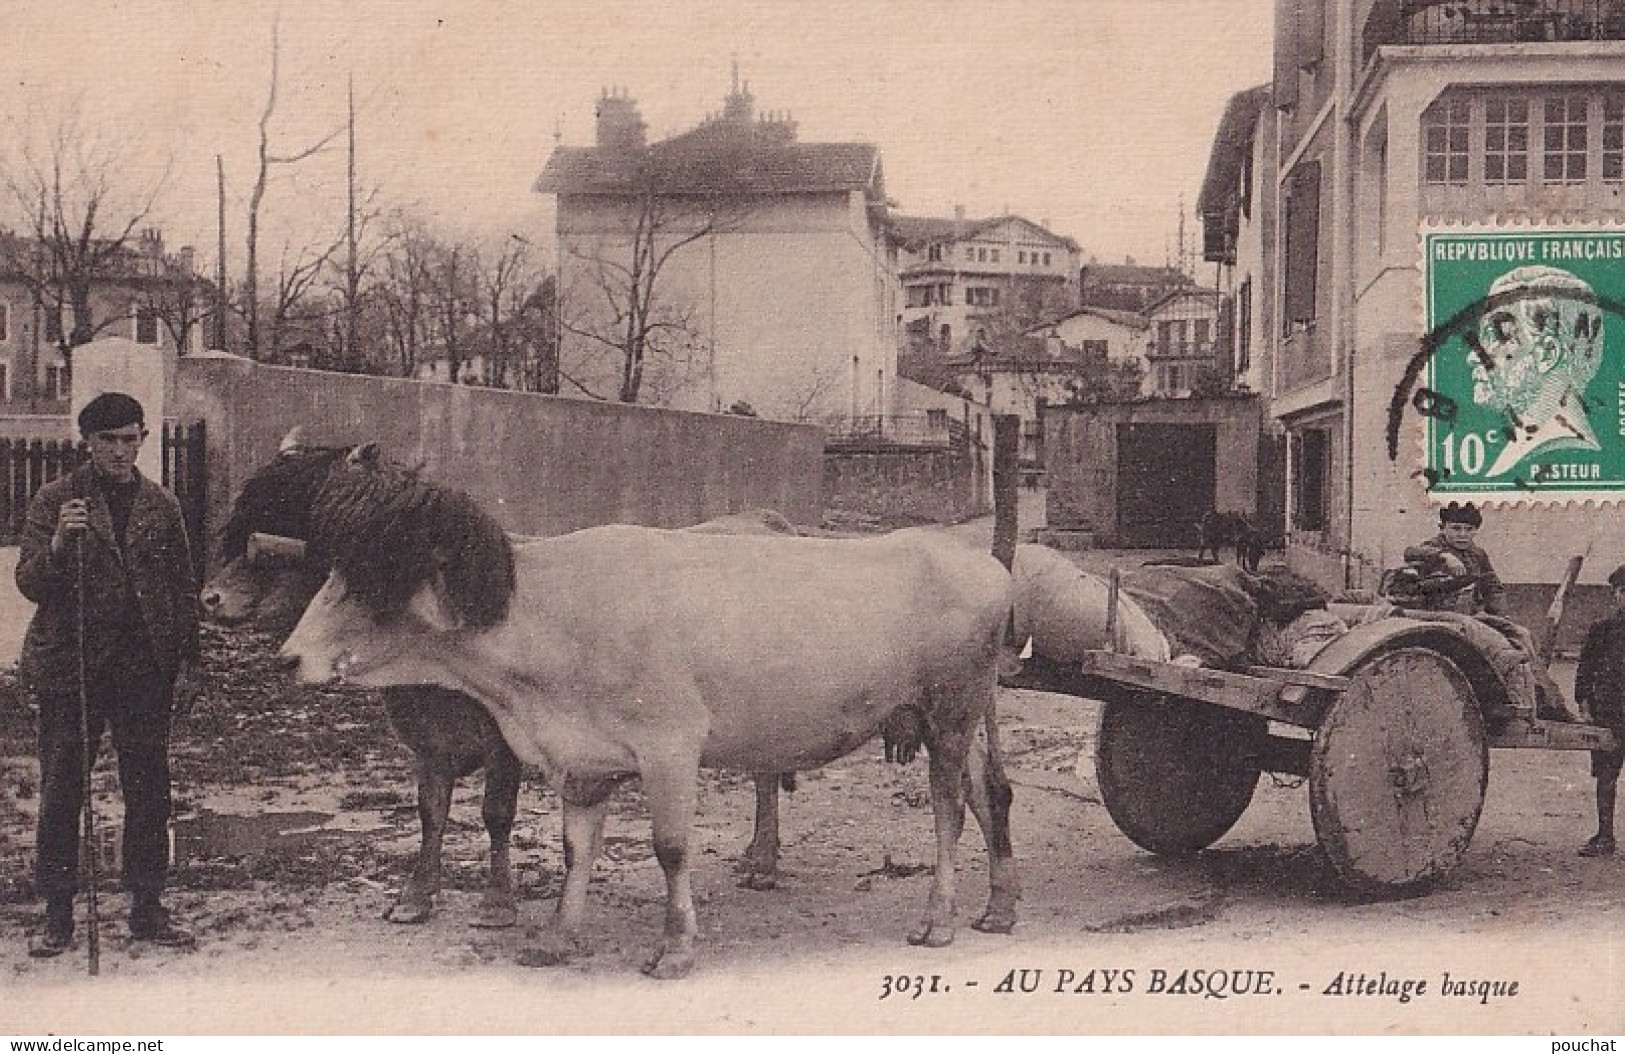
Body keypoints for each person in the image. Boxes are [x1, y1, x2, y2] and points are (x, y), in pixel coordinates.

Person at [17, 392, 203, 957]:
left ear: (144, 438)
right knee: (62, 789)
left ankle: (148, 908)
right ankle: (57, 914)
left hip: (143, 668)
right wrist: (56, 544)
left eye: (131, 439)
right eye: (108, 441)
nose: (122, 452)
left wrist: (189, 662)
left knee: (148, 791)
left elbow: (182, 588)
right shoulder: (55, 500)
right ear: (87, 443)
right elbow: (30, 583)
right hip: (71, 667)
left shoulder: (161, 504)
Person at [1574, 565, 1625, 857]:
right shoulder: (1602, 629)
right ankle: (1605, 836)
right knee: (1606, 776)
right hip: (1609, 713)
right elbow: (1585, 668)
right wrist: (1583, 702)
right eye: (1624, 592)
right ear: (1615, 594)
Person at [1401, 501, 1507, 616]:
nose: (1462, 534)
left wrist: (1500, 613)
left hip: (1471, 614)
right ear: (1443, 528)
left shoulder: (1478, 554)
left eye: (1469, 529)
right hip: (1435, 615)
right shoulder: (1432, 547)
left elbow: (1492, 587)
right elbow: (1410, 552)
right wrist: (1444, 555)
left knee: (1519, 633)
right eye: (1456, 528)